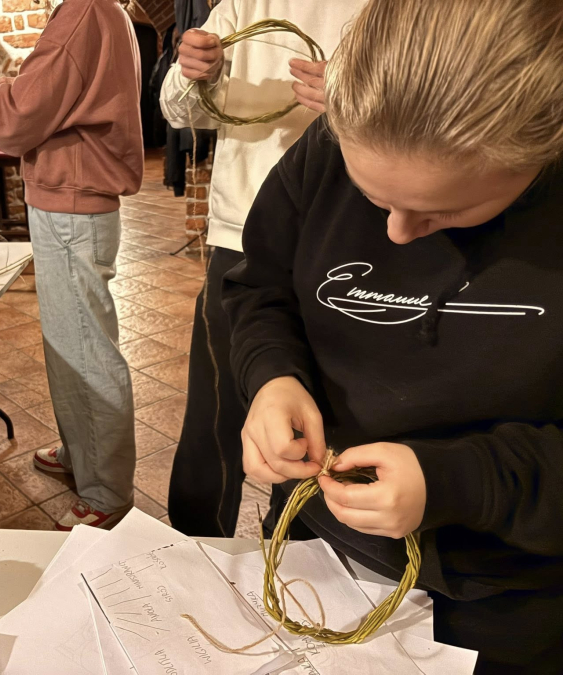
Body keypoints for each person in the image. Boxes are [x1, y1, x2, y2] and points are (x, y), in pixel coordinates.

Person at [224, 0, 563, 671]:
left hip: (510, 599)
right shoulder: (321, 157)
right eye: (372, 197)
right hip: (316, 555)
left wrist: (458, 480)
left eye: (445, 212)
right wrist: (272, 377)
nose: (397, 234)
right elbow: (261, 288)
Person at [0, 0, 143, 531]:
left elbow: (14, 120)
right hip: (72, 202)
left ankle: (106, 488)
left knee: (85, 350)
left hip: (72, 205)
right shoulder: (99, 11)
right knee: (71, 344)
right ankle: (84, 454)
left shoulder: (85, 11)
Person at [159, 0, 363, 537]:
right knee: (215, 410)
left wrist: (365, 102)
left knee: (323, 414)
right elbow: (177, 111)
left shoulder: (400, 13)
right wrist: (194, 73)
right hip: (241, 235)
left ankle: (295, 551)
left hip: (350, 238)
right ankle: (193, 549)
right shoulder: (243, 5)